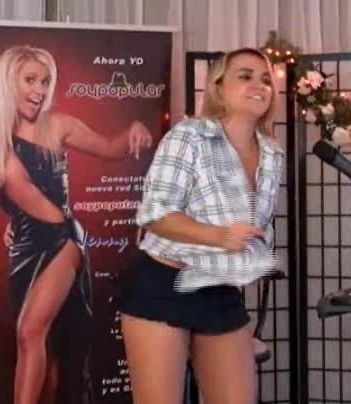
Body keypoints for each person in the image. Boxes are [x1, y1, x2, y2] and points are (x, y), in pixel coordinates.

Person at [0, 45, 153, 404]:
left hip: (63, 239)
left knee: (29, 331)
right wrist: (12, 216)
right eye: (30, 80)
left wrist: (134, 129)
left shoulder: (58, 125)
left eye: (45, 81)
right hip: (25, 246)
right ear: (8, 82)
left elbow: (109, 148)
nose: (39, 90)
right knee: (49, 346)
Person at [119, 48, 284, 404]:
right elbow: (155, 214)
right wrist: (219, 237)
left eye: (266, 80)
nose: (259, 85)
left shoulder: (272, 154)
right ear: (219, 87)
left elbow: (255, 229)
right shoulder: (189, 136)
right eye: (245, 76)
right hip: (163, 284)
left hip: (219, 289)